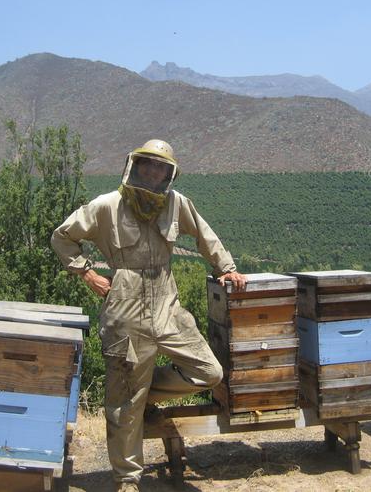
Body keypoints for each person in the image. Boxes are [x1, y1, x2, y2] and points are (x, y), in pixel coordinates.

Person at [51, 139, 246, 491]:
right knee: (126, 407)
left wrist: (226, 268)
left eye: (162, 167)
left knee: (209, 372)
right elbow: (63, 237)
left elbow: (205, 235)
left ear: (169, 173)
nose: (155, 171)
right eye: (149, 164)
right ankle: (127, 479)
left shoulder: (176, 203)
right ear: (135, 165)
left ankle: (139, 392)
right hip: (124, 307)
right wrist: (86, 272)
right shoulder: (107, 205)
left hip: (167, 304)